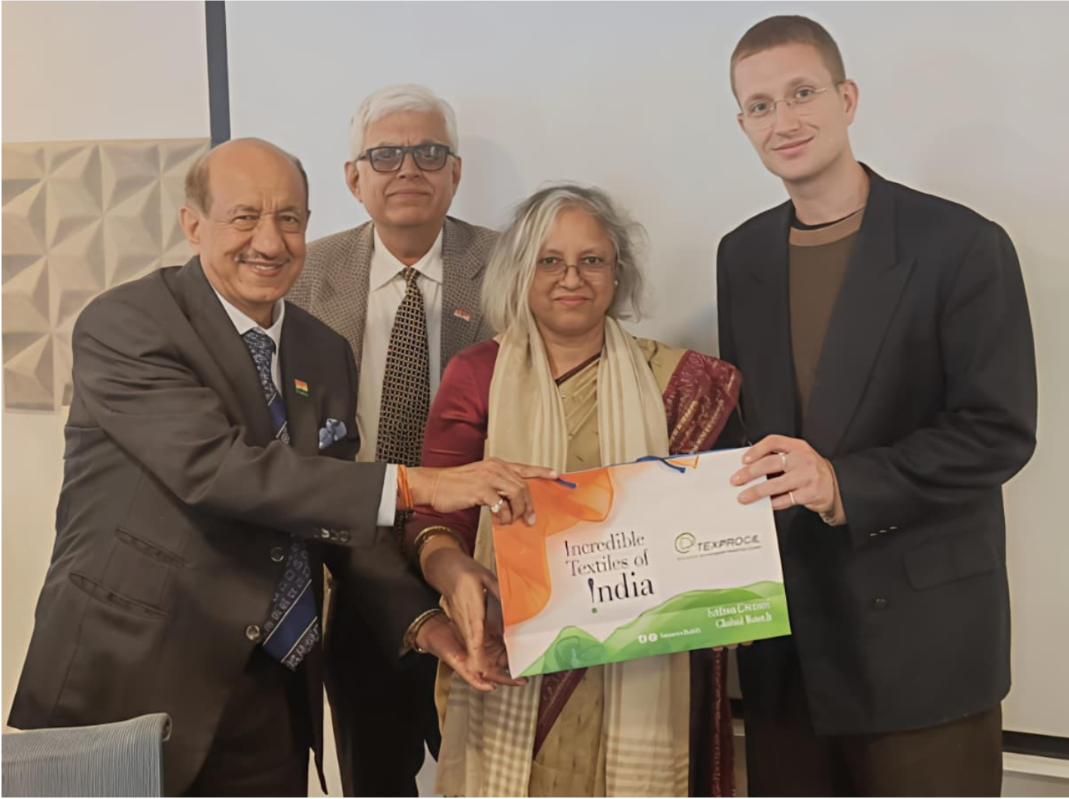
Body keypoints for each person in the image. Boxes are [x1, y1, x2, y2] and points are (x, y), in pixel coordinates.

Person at [7, 138, 550, 797]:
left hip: (271, 690)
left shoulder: (321, 351)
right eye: (245, 216)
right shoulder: (128, 323)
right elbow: (218, 470)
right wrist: (421, 482)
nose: (269, 240)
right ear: (192, 224)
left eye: (289, 218)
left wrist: (430, 627)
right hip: (130, 680)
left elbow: (335, 522)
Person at [718, 16, 1037, 796]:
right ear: (741, 124)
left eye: (801, 93)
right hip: (786, 651)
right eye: (759, 105)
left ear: (846, 97)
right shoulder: (741, 254)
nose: (782, 120)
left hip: (921, 651)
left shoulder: (960, 243)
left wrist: (842, 485)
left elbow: (997, 431)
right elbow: (750, 430)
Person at [404, 184, 745, 796]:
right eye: (550, 260)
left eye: (592, 260)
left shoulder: (678, 382)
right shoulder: (477, 372)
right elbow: (434, 516)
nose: (572, 278)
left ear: (618, 273)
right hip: (506, 650)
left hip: (642, 666)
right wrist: (452, 568)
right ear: (520, 272)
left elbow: (715, 529)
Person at [286, 84, 498, 796]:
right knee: (374, 776)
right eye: (385, 154)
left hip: (479, 564)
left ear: (456, 171)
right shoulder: (304, 275)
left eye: (429, 152)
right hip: (352, 565)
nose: (408, 168)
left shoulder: (508, 268)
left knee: (494, 774)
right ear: (354, 177)